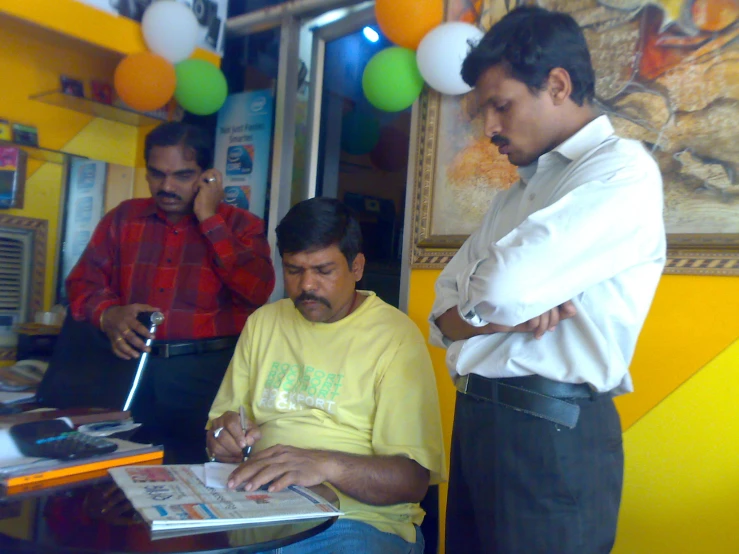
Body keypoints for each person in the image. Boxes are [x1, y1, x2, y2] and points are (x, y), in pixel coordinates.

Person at [429, 6, 666, 553]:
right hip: (478, 420)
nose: (489, 127)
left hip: (550, 435)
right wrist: (495, 315)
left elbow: (500, 288)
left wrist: (486, 306)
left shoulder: (622, 171)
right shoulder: (513, 197)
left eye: (500, 105)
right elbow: (443, 310)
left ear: (557, 85)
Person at [206, 197, 446, 554]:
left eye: (323, 270)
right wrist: (222, 437)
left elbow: (412, 481)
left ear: (357, 267)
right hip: (258, 512)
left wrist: (324, 464)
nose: (307, 286)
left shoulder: (394, 336)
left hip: (355, 522)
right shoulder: (264, 323)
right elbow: (217, 436)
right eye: (294, 270)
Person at [66, 122, 275, 463]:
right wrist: (107, 313)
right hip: (126, 368)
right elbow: (81, 282)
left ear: (208, 176)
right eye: (156, 174)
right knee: (113, 472)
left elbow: (257, 291)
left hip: (207, 375)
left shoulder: (240, 225)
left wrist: (208, 218)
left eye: (181, 175)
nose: (166, 186)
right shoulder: (123, 218)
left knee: (197, 477)